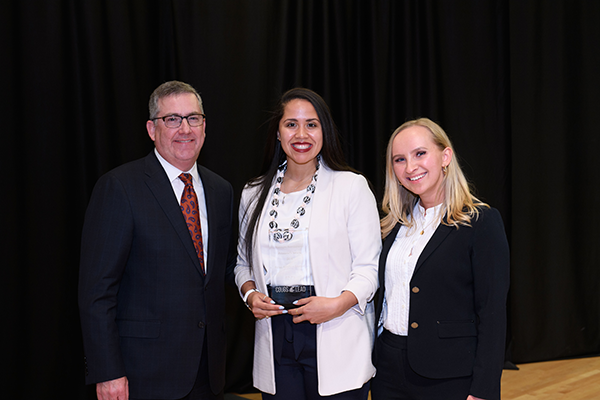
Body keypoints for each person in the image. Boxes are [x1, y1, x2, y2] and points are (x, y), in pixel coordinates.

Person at [78, 80, 235, 400]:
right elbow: (96, 292)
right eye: (172, 119)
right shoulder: (119, 188)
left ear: (205, 126)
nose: (185, 129)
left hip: (208, 372)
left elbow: (219, 274)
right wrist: (108, 370)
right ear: (152, 129)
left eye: (193, 118)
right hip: (142, 374)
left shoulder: (221, 191)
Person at [234, 88, 381, 399]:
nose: (301, 134)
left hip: (335, 331)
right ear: (278, 132)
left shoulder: (351, 187)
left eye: (311, 124)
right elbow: (242, 264)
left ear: (324, 131)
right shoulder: (252, 193)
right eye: (291, 124)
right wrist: (249, 294)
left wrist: (336, 305)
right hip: (274, 335)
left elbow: (368, 269)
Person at [371, 118, 510, 400]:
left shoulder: (481, 222)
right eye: (399, 159)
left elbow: (492, 314)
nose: (410, 167)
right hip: (387, 369)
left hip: (450, 376)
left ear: (445, 156)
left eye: (420, 153)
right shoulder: (391, 226)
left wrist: (483, 389)